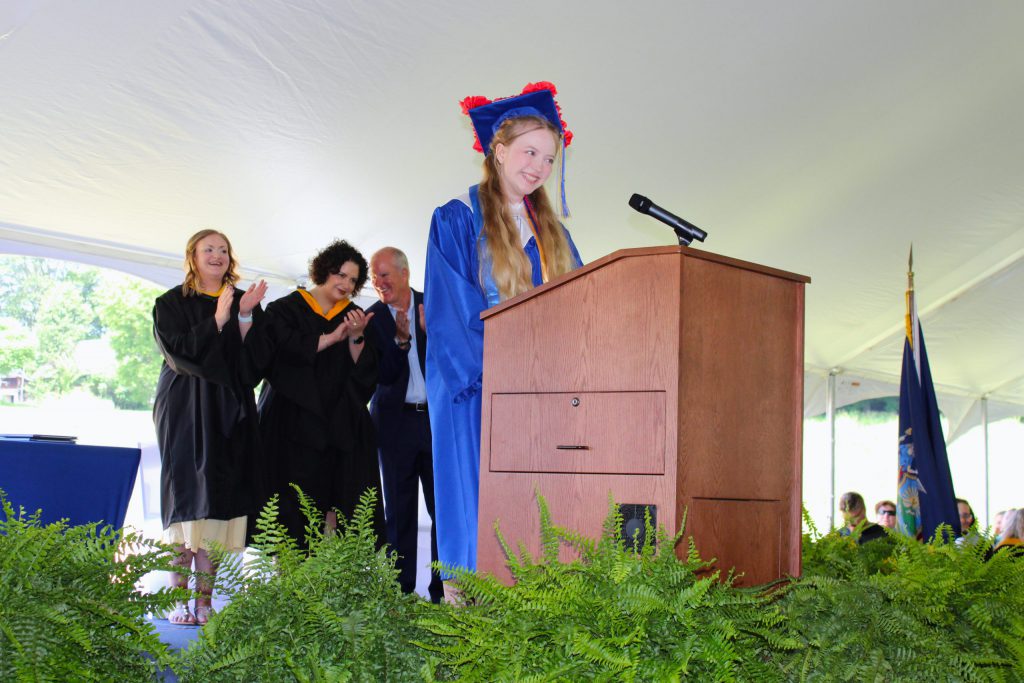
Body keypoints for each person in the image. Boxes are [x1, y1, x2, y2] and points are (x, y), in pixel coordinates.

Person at [425, 82, 583, 591]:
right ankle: (469, 617)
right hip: (479, 393)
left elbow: (581, 306)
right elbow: (451, 316)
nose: (539, 166)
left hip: (543, 394)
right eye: (529, 151)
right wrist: (507, 370)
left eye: (549, 157)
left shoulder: (555, 235)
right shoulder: (458, 220)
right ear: (498, 150)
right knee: (480, 506)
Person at [153, 229, 268, 625]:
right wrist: (218, 320)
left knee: (218, 507)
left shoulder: (241, 299)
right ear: (193, 256)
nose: (217, 255)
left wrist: (246, 315)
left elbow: (253, 363)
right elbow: (181, 354)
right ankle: (175, 598)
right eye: (209, 249)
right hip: (186, 411)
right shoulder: (170, 303)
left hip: (228, 414)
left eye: (223, 249)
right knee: (187, 507)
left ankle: (204, 601)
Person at [247, 239, 385, 547]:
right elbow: (276, 358)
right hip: (290, 423)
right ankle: (291, 581)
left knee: (333, 502)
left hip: (337, 424)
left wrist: (356, 337)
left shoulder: (354, 316)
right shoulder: (284, 309)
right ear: (324, 270)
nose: (346, 284)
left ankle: (327, 577)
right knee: (289, 506)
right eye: (340, 274)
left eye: (353, 279)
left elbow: (365, 373)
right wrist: (330, 337)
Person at [366, 246, 443, 603]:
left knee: (442, 509)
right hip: (394, 425)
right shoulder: (371, 318)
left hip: (436, 422)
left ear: (405, 273)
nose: (378, 283)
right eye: (373, 276)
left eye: (384, 275)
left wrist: (430, 333)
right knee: (398, 511)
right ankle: (401, 594)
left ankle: (444, 591)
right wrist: (400, 342)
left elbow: (455, 359)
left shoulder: (436, 304)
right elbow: (377, 376)